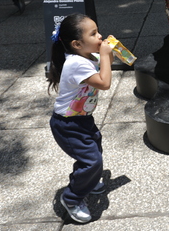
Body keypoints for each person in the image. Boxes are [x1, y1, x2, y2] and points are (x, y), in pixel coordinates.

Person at [47, 13, 114, 224]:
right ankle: (72, 197)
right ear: (77, 44)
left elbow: (105, 66)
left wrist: (109, 53)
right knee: (92, 160)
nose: (100, 36)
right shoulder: (76, 64)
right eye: (94, 34)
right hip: (67, 124)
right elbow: (104, 83)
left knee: (94, 152)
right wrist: (104, 55)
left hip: (82, 119)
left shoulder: (86, 56)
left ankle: (89, 180)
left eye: (98, 31)